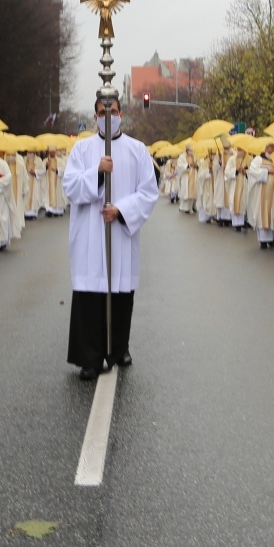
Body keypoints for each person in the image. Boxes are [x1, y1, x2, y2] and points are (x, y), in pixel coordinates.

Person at [64, 96, 160, 380]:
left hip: (119, 231)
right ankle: (90, 359)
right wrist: (97, 173)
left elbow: (148, 192)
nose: (108, 117)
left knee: (120, 292)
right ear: (94, 117)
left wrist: (121, 210)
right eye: (102, 113)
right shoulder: (82, 150)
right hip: (91, 235)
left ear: (122, 114)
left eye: (113, 112)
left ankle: (118, 348)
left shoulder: (137, 150)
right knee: (90, 295)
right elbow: (70, 186)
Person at [244, 141, 274, 249]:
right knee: (262, 215)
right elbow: (252, 172)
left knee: (273, 214)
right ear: (267, 149)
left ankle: (272, 238)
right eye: (271, 150)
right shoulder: (258, 160)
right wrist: (267, 170)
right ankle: (263, 240)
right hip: (261, 193)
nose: (273, 152)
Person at [46, 148, 68, 217]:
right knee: (49, 194)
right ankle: (50, 210)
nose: (51, 153)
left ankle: (58, 211)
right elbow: (42, 170)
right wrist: (46, 166)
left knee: (58, 194)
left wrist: (57, 170)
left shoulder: (60, 161)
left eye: (53, 152)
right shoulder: (46, 160)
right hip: (48, 181)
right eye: (50, 152)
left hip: (58, 181)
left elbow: (64, 169)